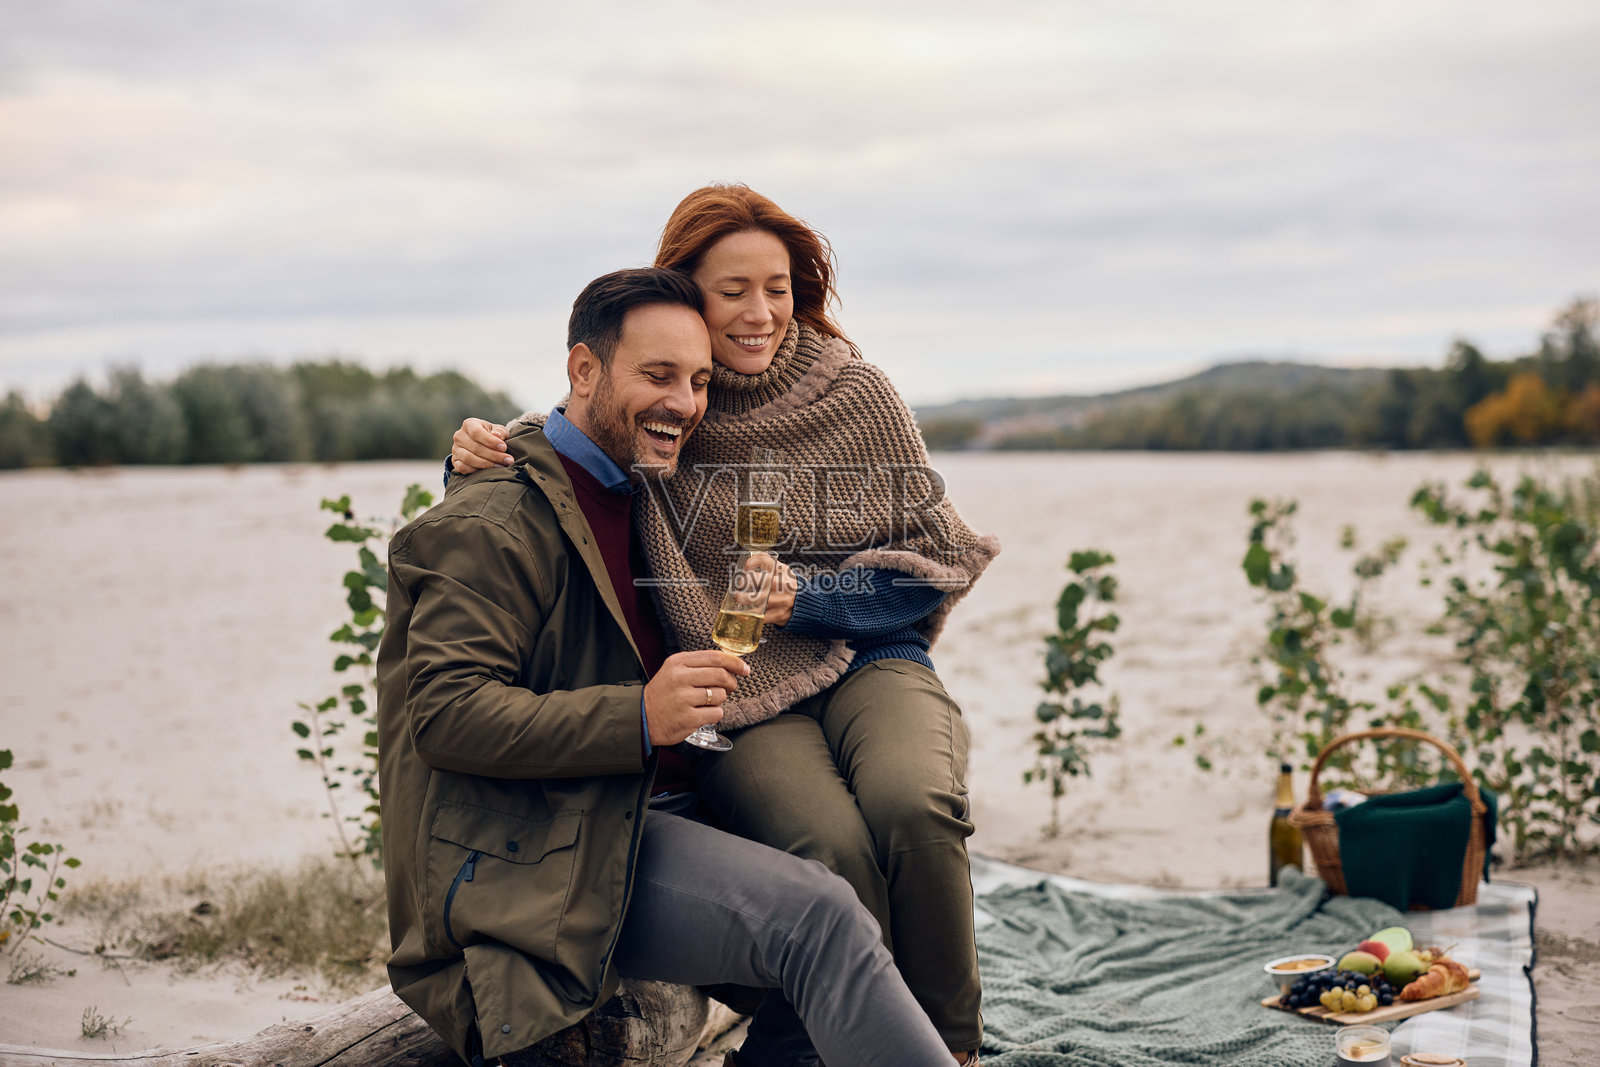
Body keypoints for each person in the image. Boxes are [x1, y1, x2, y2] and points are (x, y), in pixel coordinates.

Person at [450, 186, 998, 1066]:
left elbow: (933, 562)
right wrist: (469, 453)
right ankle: (851, 1043)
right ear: (684, 292)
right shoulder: (671, 402)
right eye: (732, 288)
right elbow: (563, 442)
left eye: (777, 286)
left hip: (868, 655)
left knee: (915, 805)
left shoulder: (857, 393)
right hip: (744, 687)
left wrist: (809, 601)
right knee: (827, 847)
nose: (760, 311)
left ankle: (951, 1045)